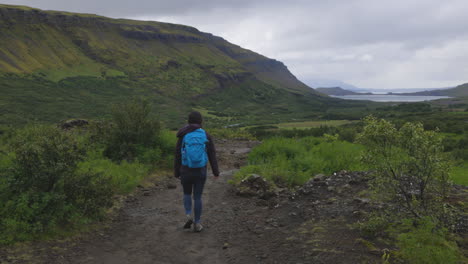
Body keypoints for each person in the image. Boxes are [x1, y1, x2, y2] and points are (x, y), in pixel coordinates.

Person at [174, 111, 219, 232]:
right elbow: (212, 154)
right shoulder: (205, 135)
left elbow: (178, 154)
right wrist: (216, 172)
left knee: (187, 193)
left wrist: (177, 172)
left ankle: (189, 215)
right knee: (198, 197)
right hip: (200, 170)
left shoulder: (183, 135)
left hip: (185, 170)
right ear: (201, 121)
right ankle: (197, 223)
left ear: (188, 121)